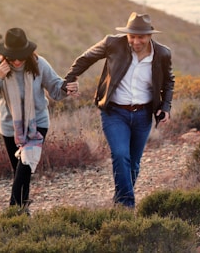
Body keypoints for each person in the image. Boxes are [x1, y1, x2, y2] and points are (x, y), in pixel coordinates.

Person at [62, 12, 175, 208]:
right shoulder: (113, 43)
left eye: (141, 37)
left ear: (150, 36)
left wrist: (165, 106)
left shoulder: (162, 54)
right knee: (121, 154)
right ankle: (126, 206)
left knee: (134, 163)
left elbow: (168, 81)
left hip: (143, 115)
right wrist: (70, 78)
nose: (136, 41)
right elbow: (85, 59)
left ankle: (119, 199)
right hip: (114, 112)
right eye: (132, 36)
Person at [0, 27, 78, 213]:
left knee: (25, 167)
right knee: (20, 173)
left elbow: (56, 89)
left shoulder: (39, 64)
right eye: (12, 56)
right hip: (9, 127)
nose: (17, 61)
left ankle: (12, 213)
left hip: (37, 124)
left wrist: (68, 88)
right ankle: (23, 214)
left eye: (21, 56)